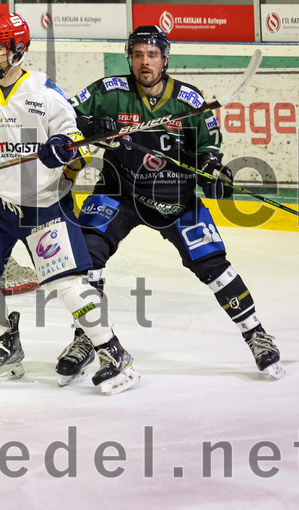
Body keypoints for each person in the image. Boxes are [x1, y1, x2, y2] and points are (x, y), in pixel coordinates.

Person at [67, 25, 285, 379]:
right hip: (118, 192)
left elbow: (208, 150)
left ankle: (256, 334)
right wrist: (88, 123)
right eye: (137, 54)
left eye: (151, 55)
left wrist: (213, 172)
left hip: (175, 195)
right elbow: (64, 112)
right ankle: (86, 339)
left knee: (213, 265)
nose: (144, 62)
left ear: (164, 60)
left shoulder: (189, 100)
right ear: (130, 59)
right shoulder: (109, 91)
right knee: (86, 256)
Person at [0, 12, 139, 394]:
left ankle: (113, 352)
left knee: (67, 284)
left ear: (19, 51)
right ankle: (4, 341)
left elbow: (76, 144)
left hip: (46, 203)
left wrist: (63, 150)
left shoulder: (46, 94)